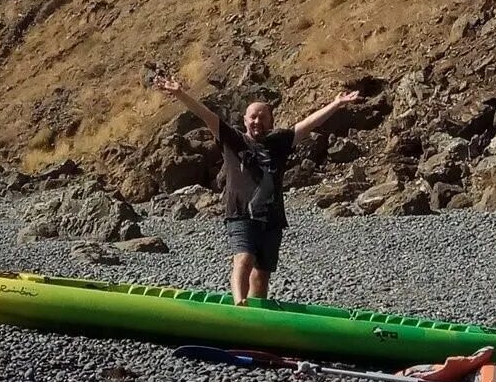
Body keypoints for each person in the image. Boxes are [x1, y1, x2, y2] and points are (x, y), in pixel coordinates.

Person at [150, 71, 363, 304]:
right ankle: (239, 305)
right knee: (244, 258)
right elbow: (206, 115)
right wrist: (181, 94)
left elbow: (308, 124)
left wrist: (336, 103)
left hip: (272, 218)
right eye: (252, 117)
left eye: (262, 118)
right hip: (241, 213)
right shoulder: (233, 140)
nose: (257, 122)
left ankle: (255, 317)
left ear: (271, 121)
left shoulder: (279, 141)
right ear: (244, 120)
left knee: (262, 274)